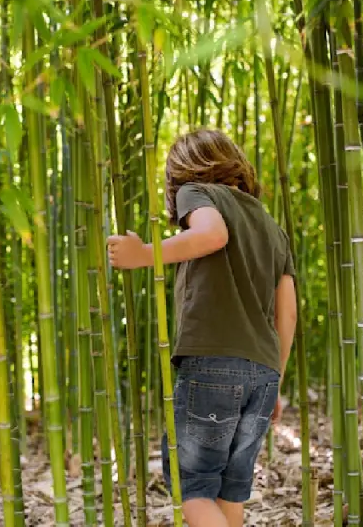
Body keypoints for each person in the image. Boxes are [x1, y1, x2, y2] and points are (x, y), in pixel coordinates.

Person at [107, 129, 297, 527]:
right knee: (230, 489)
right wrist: (275, 380)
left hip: (213, 363)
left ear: (182, 173)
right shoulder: (271, 226)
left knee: (193, 487)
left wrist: (144, 254)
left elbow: (212, 234)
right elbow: (287, 314)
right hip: (261, 375)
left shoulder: (197, 192)